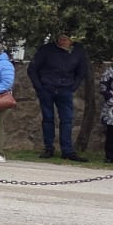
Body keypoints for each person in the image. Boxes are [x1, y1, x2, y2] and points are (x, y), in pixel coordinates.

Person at [27, 33, 89, 161]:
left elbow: (81, 71)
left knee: (67, 120)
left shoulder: (78, 51)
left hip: (65, 89)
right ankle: (48, 148)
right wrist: (39, 87)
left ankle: (67, 151)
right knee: (48, 118)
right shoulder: (46, 49)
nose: (63, 41)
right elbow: (32, 69)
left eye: (66, 39)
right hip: (47, 88)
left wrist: (73, 86)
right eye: (61, 38)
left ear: (71, 40)